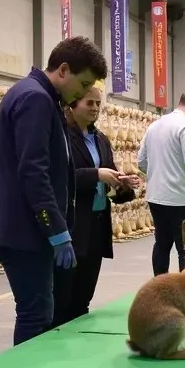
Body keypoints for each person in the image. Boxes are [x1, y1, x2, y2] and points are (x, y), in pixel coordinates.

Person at [0, 37, 107, 346]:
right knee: (36, 313)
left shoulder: (41, 97)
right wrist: (57, 232)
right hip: (23, 228)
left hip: (26, 225)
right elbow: (33, 171)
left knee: (41, 309)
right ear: (63, 69)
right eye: (83, 83)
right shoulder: (36, 100)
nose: (84, 92)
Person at [52, 85, 139, 326]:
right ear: (73, 104)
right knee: (63, 297)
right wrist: (96, 175)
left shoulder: (101, 139)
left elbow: (108, 176)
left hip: (97, 223)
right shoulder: (62, 136)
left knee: (84, 297)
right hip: (73, 223)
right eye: (89, 103)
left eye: (98, 104)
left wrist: (122, 182)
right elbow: (60, 177)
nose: (95, 108)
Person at [139, 90, 185, 274]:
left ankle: (160, 290)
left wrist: (160, 174)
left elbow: (141, 161)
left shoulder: (154, 126)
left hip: (157, 197)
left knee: (161, 245)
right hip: (184, 199)